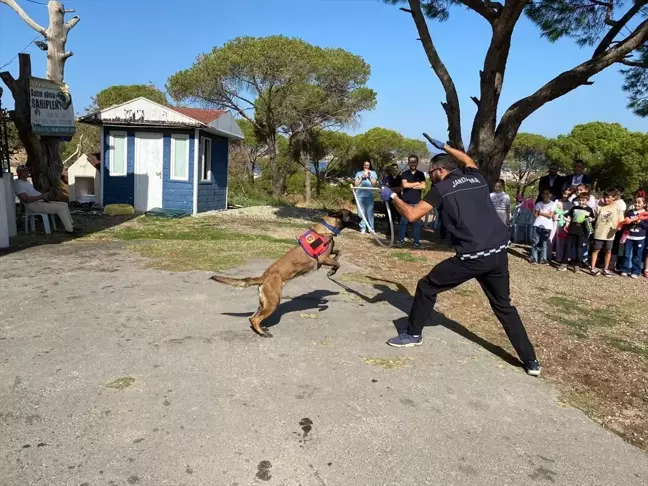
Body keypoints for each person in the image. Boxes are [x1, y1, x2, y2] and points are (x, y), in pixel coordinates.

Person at [379, 138, 541, 377]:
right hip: (498, 253)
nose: (430, 176)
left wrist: (392, 197)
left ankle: (413, 334)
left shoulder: (441, 189)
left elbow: (412, 215)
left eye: (431, 172)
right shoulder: (476, 177)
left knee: (426, 286)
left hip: (472, 257)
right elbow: (467, 159)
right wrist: (444, 146)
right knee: (504, 306)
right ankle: (531, 361)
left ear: (440, 171)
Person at [13, 165, 78, 234]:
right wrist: (41, 197)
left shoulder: (26, 182)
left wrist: (45, 196)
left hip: (39, 202)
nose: (26, 172)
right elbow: (25, 199)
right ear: (18, 173)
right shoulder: (18, 184)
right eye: (23, 171)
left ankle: (72, 225)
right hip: (33, 205)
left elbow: (34, 194)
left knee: (64, 204)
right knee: (61, 208)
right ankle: (69, 230)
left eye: (27, 171)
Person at [590, 188, 625, 277]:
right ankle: (592, 268)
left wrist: (619, 226)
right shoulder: (599, 206)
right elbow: (594, 217)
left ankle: (606, 268)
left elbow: (621, 221)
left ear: (614, 197)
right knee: (596, 250)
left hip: (610, 235)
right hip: (598, 233)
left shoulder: (618, 208)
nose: (606, 199)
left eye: (608, 197)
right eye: (604, 197)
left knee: (608, 251)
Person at [395, 155, 426, 249]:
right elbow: (404, 185)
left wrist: (411, 185)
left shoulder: (421, 174)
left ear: (417, 163)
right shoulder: (405, 173)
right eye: (411, 162)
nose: (412, 164)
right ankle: (401, 240)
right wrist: (417, 183)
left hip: (417, 202)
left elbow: (423, 186)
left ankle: (416, 242)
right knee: (403, 223)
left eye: (414, 162)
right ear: (408, 163)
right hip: (406, 202)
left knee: (417, 224)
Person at [558, 193, 595, 271]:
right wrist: (565, 221)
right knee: (567, 246)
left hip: (582, 232)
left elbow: (593, 218)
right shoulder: (574, 208)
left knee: (579, 248)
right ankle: (564, 263)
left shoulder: (589, 209)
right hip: (571, 230)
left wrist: (591, 220)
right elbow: (569, 217)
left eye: (583, 201)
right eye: (580, 200)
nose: (581, 202)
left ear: (587, 201)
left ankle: (577, 264)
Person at [619, 196, 647, 278]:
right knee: (626, 254)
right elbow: (625, 223)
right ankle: (624, 269)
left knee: (637, 255)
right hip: (629, 237)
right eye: (635, 202)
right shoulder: (630, 212)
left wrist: (639, 222)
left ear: (644, 204)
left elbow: (646, 226)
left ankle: (636, 272)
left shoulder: (646, 213)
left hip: (640, 238)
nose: (636, 204)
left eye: (639, 202)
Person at [530, 189, 556, 264]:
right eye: (543, 194)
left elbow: (550, 215)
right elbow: (535, 215)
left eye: (547, 193)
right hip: (537, 224)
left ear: (550, 195)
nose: (545, 195)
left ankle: (543, 258)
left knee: (544, 243)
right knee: (535, 242)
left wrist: (540, 213)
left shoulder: (553, 204)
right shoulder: (539, 204)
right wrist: (532, 210)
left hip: (547, 226)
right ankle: (534, 258)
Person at [354, 160, 378, 234]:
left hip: (369, 196)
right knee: (361, 213)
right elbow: (356, 184)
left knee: (370, 213)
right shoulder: (358, 173)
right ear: (363, 165)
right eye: (365, 165)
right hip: (360, 196)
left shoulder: (373, 173)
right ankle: (362, 228)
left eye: (368, 165)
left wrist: (370, 176)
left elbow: (374, 184)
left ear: (370, 166)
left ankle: (371, 228)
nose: (366, 166)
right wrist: (361, 178)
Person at [553, 188, 573, 263]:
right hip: (555, 221)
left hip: (563, 223)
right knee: (552, 238)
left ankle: (560, 257)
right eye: (564, 194)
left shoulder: (570, 204)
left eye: (568, 195)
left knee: (561, 240)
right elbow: (553, 210)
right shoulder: (557, 201)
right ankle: (551, 255)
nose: (565, 196)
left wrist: (567, 223)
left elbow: (569, 215)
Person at [382, 163, 402, 229]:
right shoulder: (387, 178)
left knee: (400, 216)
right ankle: (390, 230)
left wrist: (392, 189)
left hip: (399, 199)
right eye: (393, 169)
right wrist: (396, 189)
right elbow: (386, 188)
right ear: (391, 169)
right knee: (390, 216)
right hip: (390, 200)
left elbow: (402, 188)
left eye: (396, 168)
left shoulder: (400, 178)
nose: (395, 170)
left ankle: (402, 231)